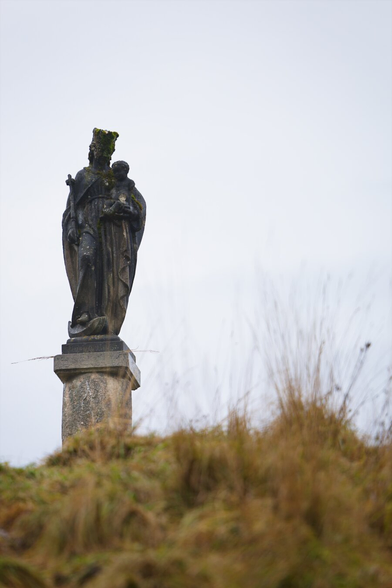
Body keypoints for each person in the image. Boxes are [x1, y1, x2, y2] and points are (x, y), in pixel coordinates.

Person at [62, 129, 146, 337]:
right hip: (89, 224)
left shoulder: (117, 178)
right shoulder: (84, 176)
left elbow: (137, 205)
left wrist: (131, 211)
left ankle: (107, 315)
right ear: (92, 152)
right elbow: (71, 208)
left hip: (113, 233)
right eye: (99, 152)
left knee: (109, 272)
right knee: (86, 259)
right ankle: (85, 314)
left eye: (107, 154)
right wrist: (72, 226)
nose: (103, 157)